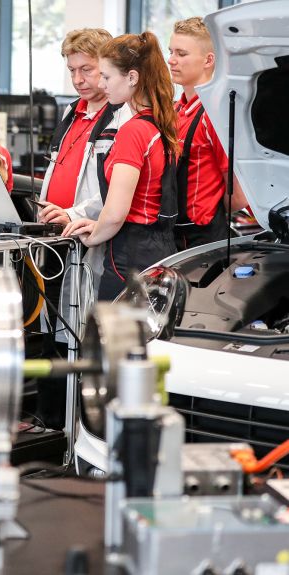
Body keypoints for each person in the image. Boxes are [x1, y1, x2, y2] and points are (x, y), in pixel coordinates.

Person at [33, 29, 132, 430]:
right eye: (72, 70)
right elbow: (59, 169)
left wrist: (71, 211)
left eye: (88, 70)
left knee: (78, 335)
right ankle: (49, 419)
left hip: (86, 240)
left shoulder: (120, 117)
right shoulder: (72, 112)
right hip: (54, 240)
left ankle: (77, 428)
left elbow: (108, 189)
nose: (79, 79)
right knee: (52, 334)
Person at [62, 31, 178, 301]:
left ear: (132, 77)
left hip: (130, 256)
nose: (102, 85)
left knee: (114, 341)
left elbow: (115, 212)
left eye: (106, 76)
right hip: (159, 248)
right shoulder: (160, 123)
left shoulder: (132, 131)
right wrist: (96, 223)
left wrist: (92, 238)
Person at [168, 16, 248, 250]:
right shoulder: (175, 111)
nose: (171, 60)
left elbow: (238, 196)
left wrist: (207, 208)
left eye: (181, 54)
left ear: (208, 60)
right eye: (171, 51)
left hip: (204, 239)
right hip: (171, 234)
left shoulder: (216, 114)